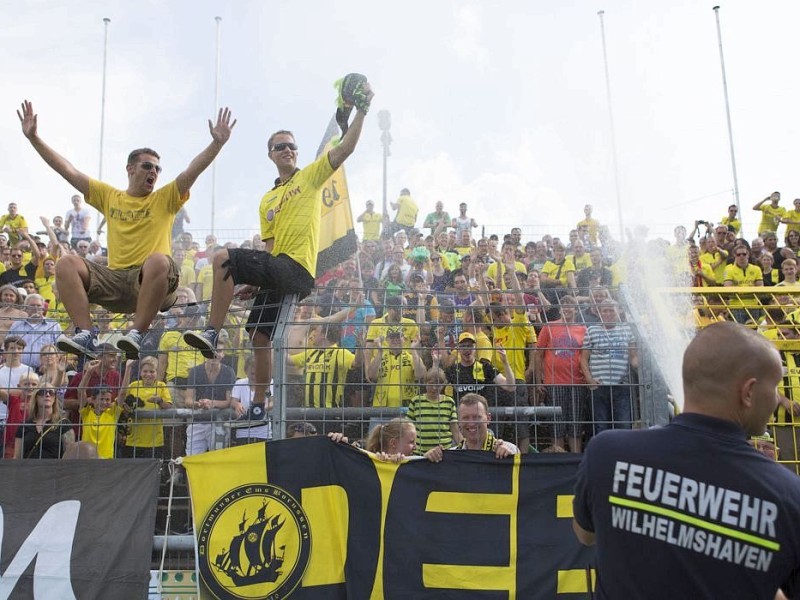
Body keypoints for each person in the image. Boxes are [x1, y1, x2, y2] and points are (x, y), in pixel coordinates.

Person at [572, 321, 800, 599]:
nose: (777, 398)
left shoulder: (606, 453)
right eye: (775, 387)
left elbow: (585, 534)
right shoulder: (787, 497)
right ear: (749, 392)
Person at [182, 80, 373, 412]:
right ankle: (258, 403)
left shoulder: (310, 176)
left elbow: (346, 149)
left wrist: (363, 111)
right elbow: (268, 249)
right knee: (258, 336)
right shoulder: (266, 200)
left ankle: (211, 332)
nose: (287, 150)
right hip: (277, 267)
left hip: (297, 268)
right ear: (270, 154)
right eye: (280, 147)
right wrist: (254, 282)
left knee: (222, 258)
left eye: (291, 146)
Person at [17, 100, 236, 359]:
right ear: (130, 169)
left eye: (157, 168)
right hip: (116, 281)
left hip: (154, 283)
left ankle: (136, 333)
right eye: (147, 166)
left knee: (157, 260)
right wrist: (34, 138)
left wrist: (217, 143)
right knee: (65, 263)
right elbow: (68, 170)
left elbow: (193, 170)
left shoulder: (165, 197)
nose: (154, 171)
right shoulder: (110, 196)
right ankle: (86, 334)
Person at [580, 301, 638, 433]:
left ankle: (622, 453)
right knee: (601, 427)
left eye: (611, 310)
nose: (608, 313)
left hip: (621, 385)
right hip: (599, 386)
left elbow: (633, 356)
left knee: (623, 425)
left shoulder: (627, 330)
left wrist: (640, 365)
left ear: (618, 311)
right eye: (605, 311)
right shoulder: (592, 330)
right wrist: (590, 380)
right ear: (599, 313)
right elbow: (583, 358)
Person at [425, 393, 518, 462]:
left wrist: (510, 459)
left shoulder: (509, 450)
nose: (471, 423)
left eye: (477, 417)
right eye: (465, 418)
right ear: (459, 422)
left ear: (488, 418)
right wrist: (427, 460)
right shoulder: (450, 457)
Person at [406, 367, 461, 455]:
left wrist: (465, 449)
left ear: (443, 385)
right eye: (431, 384)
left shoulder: (449, 402)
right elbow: (408, 427)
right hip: (420, 454)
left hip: (444, 453)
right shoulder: (416, 401)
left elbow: (455, 429)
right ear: (425, 383)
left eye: (438, 385)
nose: (434, 388)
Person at [15, 384, 74, 459]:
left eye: (51, 393)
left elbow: (69, 455)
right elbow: (17, 457)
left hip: (53, 469)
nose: (47, 395)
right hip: (29, 469)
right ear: (36, 397)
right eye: (42, 392)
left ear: (54, 398)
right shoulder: (24, 425)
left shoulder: (64, 424)